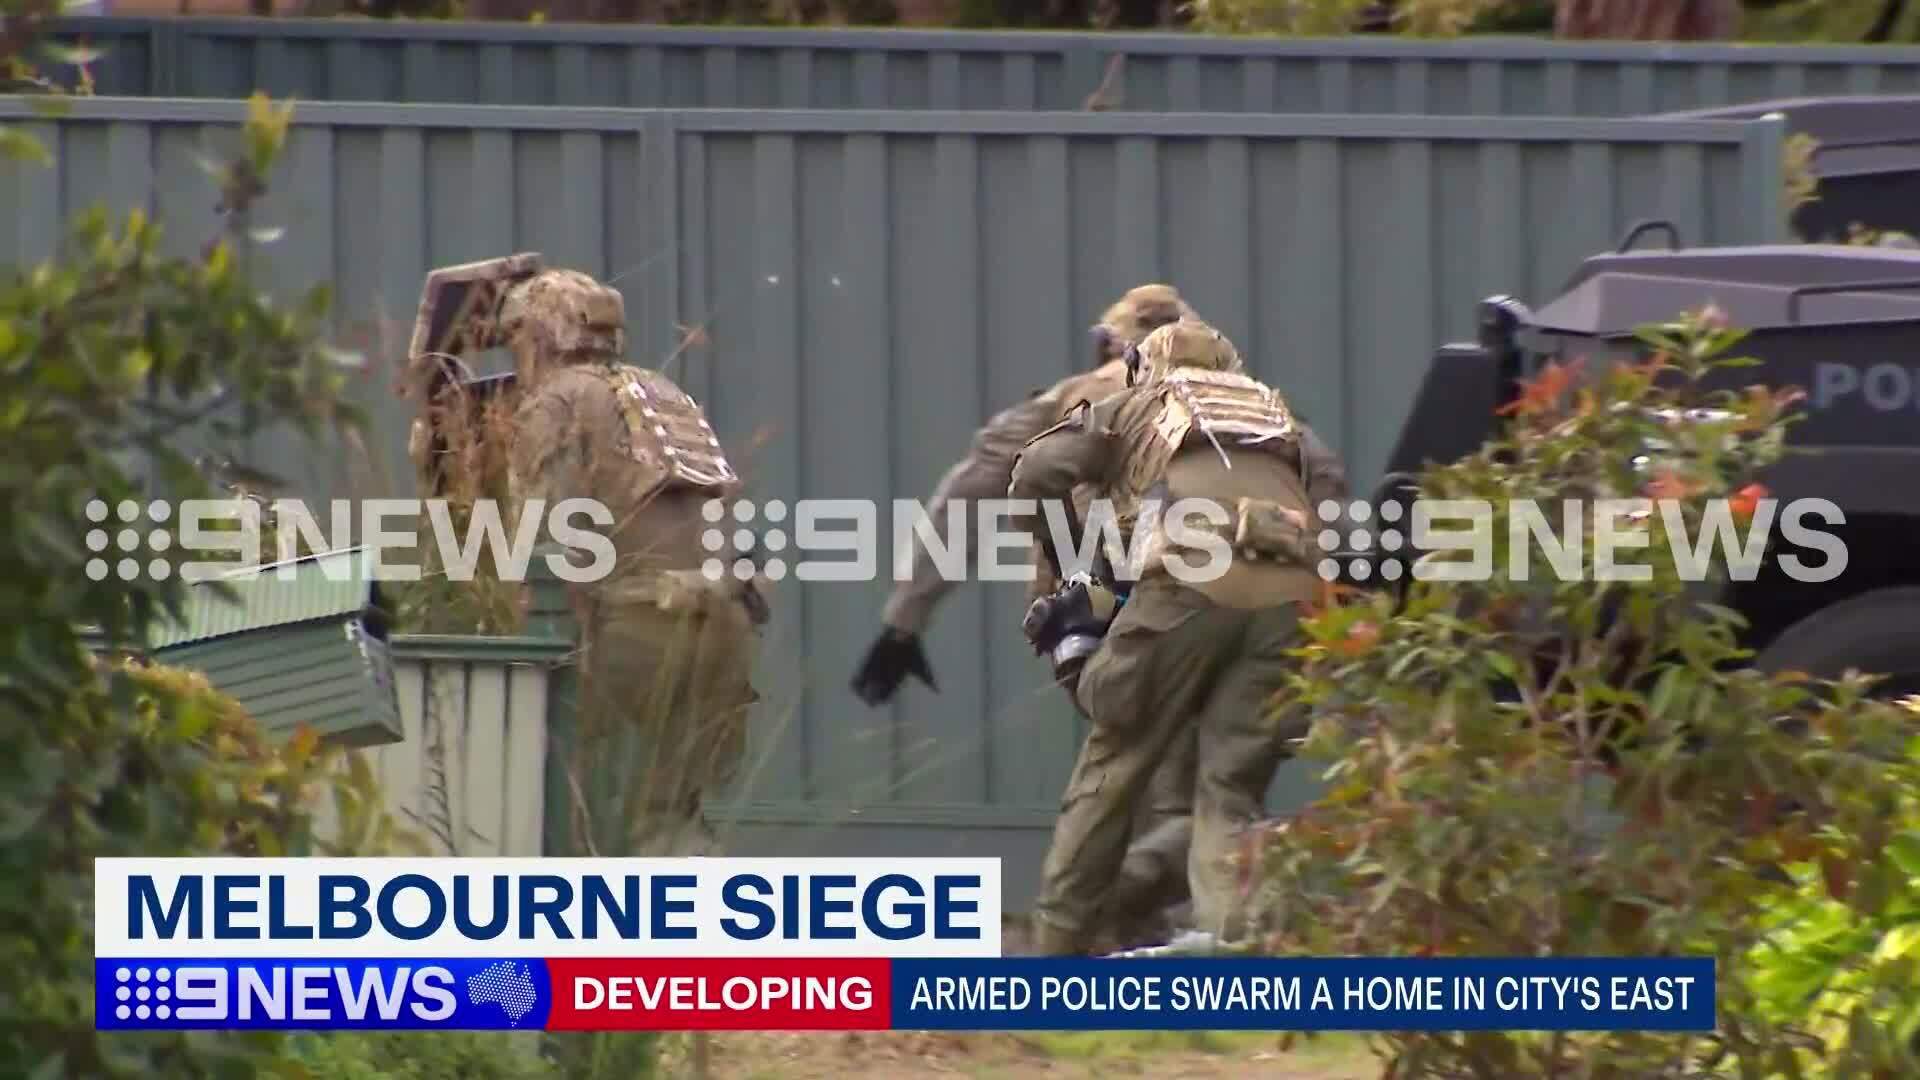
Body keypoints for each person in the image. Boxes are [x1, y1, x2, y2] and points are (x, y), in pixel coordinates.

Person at [849, 284, 1199, 949]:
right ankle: (1152, 926)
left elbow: (974, 492)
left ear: (1111, 344)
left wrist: (905, 621)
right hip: (1225, 605)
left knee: (1133, 767)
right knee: (1190, 782)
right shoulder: (1240, 400)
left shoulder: (1072, 401)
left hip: (1103, 608)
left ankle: (1104, 922)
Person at [409, 253, 767, 856]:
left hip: (632, 632)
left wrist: (446, 483)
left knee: (569, 811)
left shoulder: (557, 399)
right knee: (670, 820)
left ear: (535, 336)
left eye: (515, 339)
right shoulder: (663, 393)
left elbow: (540, 545)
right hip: (723, 627)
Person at [1008, 317, 1334, 955]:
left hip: (1188, 583)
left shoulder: (1142, 400)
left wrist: (1070, 561)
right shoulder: (1279, 421)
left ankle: (1057, 949)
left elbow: (1033, 472)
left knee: (1114, 756)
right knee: (1228, 790)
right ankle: (1235, 951)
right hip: (1292, 603)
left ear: (1147, 367)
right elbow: (1327, 513)